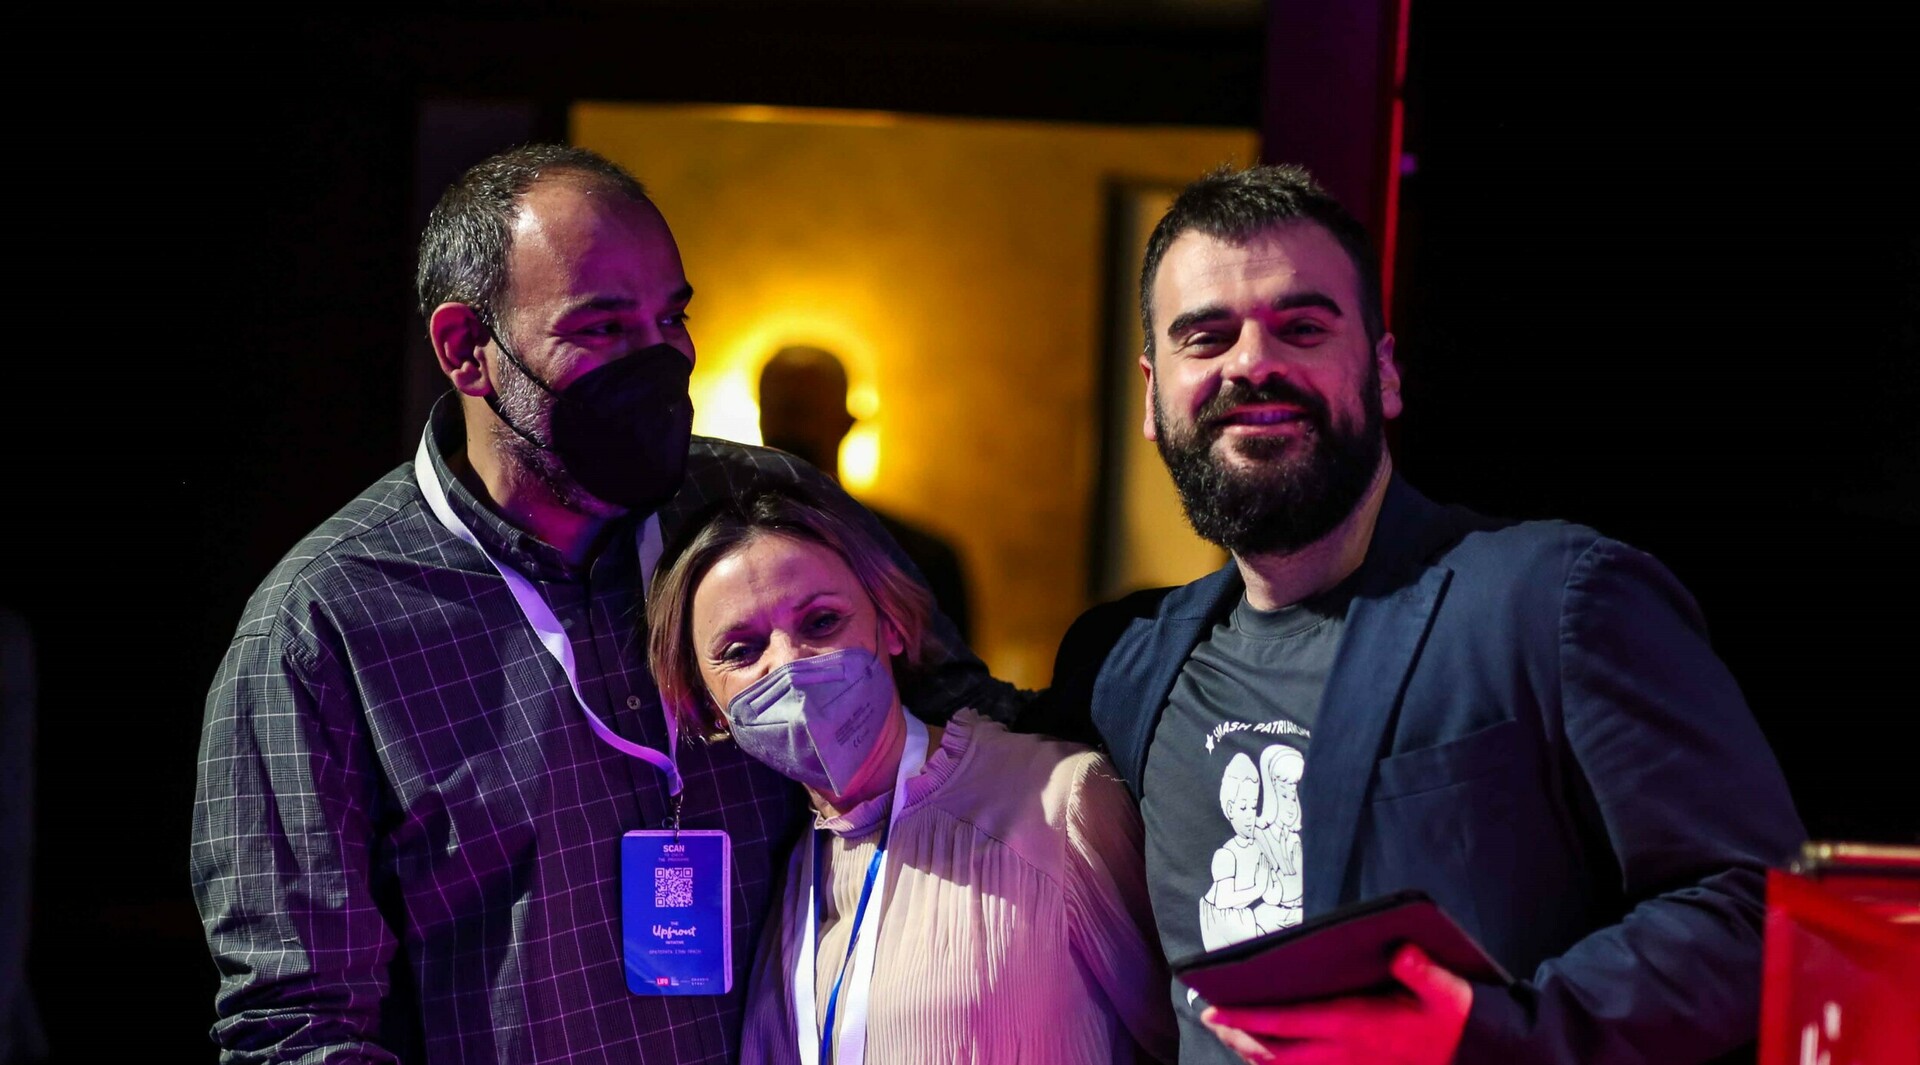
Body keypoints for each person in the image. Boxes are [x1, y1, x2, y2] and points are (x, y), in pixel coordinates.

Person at [190, 143, 1017, 1063]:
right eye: (604, 327)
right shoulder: (323, 626)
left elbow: (975, 749)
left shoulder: (765, 514)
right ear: (467, 349)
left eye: (672, 317)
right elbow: (296, 1026)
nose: (658, 360)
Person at [1035, 164, 1805, 1064]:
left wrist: (1492, 1031)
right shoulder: (1124, 662)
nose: (1250, 362)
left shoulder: (1551, 598)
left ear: (1386, 371)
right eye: (1208, 337)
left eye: (1302, 327)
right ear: (1152, 395)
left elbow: (1756, 904)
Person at [646, 486, 1176, 1064]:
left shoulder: (1058, 802)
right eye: (741, 650)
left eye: (822, 622)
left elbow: (1191, 1040)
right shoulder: (789, 875)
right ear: (706, 703)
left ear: (893, 624)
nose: (790, 663)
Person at [758, 344, 975, 643]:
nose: (794, 429)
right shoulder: (716, 548)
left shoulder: (921, 561)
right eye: (782, 410)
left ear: (845, 423)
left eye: (804, 411)